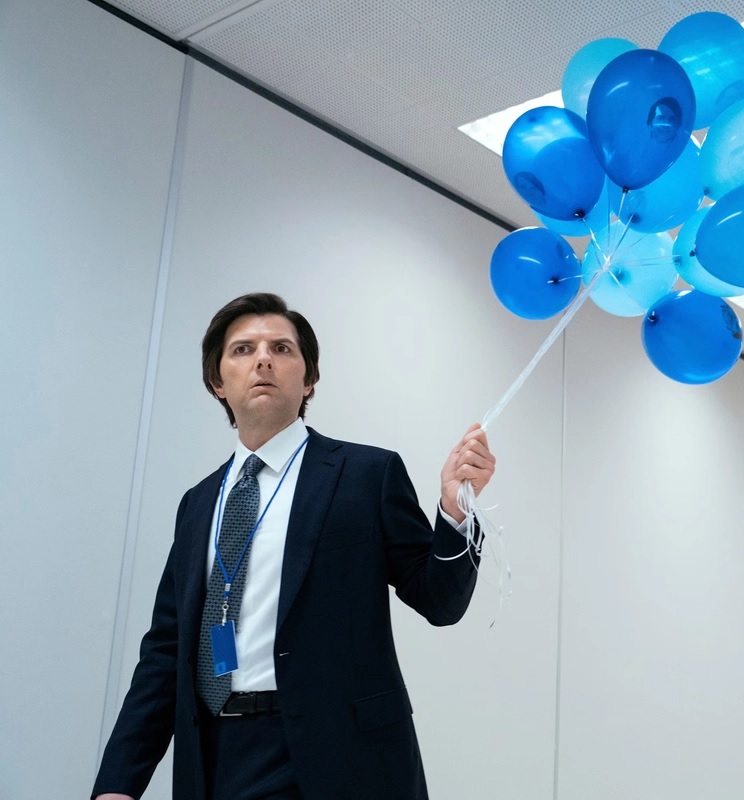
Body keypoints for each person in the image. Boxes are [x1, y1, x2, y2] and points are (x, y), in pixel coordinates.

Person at [92, 292, 495, 800]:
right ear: (217, 383)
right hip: (216, 758)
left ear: (309, 380)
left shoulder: (367, 475)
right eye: (243, 349)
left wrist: (455, 512)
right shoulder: (198, 504)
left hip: (343, 758)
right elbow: (166, 652)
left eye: (281, 348)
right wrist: (118, 784)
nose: (262, 359)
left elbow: (440, 601)